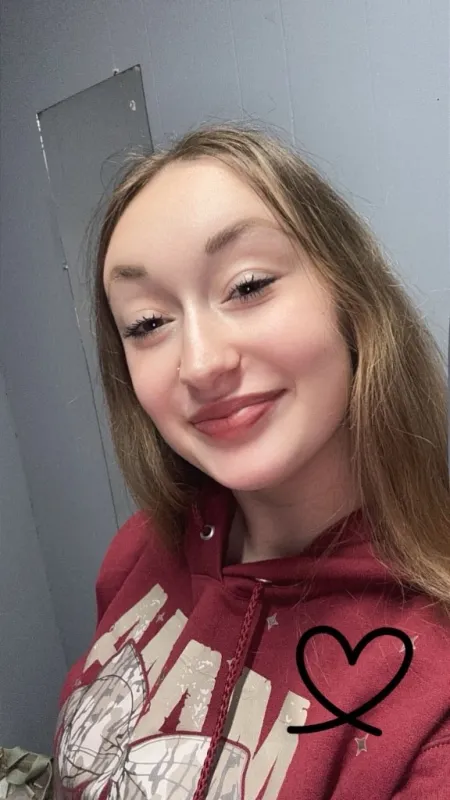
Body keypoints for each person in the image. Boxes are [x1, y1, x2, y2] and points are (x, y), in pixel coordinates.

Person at [53, 123, 450, 800]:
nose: (201, 363)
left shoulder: (433, 694)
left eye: (247, 286)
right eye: (147, 324)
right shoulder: (140, 551)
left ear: (350, 296)